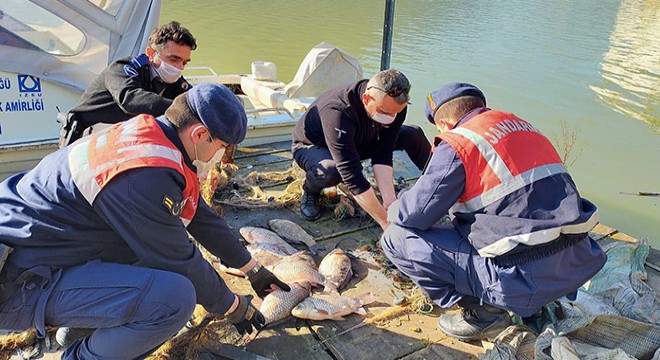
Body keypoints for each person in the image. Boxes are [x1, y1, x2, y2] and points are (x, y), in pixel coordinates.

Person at [0, 82, 290, 359]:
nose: (222, 157)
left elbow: (198, 212)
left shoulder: (150, 136)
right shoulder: (146, 176)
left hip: (41, 248)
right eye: (223, 147)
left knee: (142, 258)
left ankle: (73, 335)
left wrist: (252, 269)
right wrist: (233, 306)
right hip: (17, 280)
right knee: (175, 298)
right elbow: (180, 260)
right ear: (200, 135)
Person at [380, 82, 607, 341]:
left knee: (395, 238)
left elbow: (414, 214)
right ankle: (536, 307)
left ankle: (485, 314)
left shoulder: (460, 140)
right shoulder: (524, 127)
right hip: (577, 263)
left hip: (524, 278)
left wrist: (393, 204)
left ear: (444, 123)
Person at [291, 69, 431, 227]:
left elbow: (383, 152)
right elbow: (352, 176)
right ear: (366, 98)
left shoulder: (395, 106)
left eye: (395, 114)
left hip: (359, 141)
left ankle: (438, 183)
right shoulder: (337, 109)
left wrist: (389, 201)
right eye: (384, 112)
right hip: (315, 146)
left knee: (413, 134)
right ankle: (310, 191)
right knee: (332, 171)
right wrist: (385, 222)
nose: (390, 119)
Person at [59, 21, 196, 146]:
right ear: (150, 53)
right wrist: (179, 109)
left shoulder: (176, 83)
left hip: (122, 141)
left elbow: (194, 100)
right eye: (173, 59)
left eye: (184, 62)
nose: (179, 67)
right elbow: (131, 99)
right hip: (86, 137)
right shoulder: (122, 69)